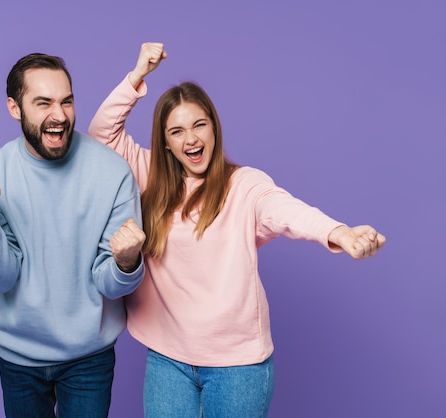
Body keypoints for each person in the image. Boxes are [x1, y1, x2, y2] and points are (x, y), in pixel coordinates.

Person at [88, 42, 386, 418]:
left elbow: (285, 210)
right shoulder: (149, 176)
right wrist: (136, 77)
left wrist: (338, 232)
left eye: (199, 125)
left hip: (238, 366)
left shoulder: (243, 186)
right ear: (165, 142)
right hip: (168, 361)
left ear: (214, 127)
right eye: (177, 131)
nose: (191, 139)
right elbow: (102, 135)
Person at [0, 52, 146, 418]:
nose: (60, 115)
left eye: (67, 101)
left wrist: (127, 264)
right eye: (43, 103)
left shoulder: (112, 172)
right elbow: (3, 277)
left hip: (88, 358)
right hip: (19, 357)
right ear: (15, 108)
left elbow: (110, 284)